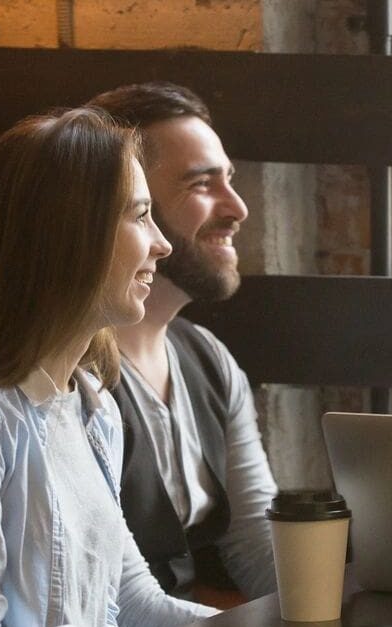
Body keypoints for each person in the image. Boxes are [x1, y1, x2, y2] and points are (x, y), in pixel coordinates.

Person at [0, 108, 218, 624]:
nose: (162, 245)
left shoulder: (91, 405)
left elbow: (135, 603)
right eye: (140, 216)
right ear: (69, 233)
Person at [86, 82, 277, 602]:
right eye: (201, 184)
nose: (237, 207)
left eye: (229, 180)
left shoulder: (208, 358)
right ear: (126, 206)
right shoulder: (67, 370)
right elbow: (108, 592)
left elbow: (255, 540)